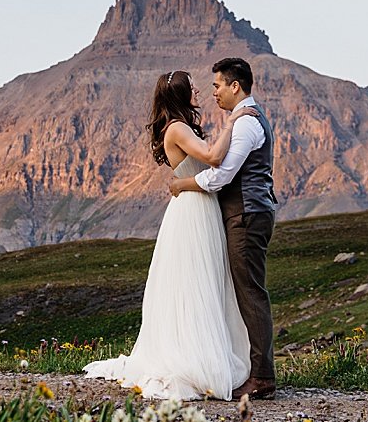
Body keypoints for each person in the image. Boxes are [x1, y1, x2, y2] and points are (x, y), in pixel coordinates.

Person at [81, 70, 255, 400]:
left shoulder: (178, 127)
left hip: (197, 205)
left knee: (203, 282)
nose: (199, 94)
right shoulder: (177, 129)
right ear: (181, 95)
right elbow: (214, 157)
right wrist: (234, 122)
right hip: (193, 210)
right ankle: (192, 356)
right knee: (195, 282)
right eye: (192, 90)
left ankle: (201, 348)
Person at [165, 56, 277, 400]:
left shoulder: (245, 123)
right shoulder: (242, 119)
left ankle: (261, 377)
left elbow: (221, 176)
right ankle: (254, 369)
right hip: (248, 212)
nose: (213, 92)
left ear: (234, 86)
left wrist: (181, 185)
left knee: (250, 292)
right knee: (246, 291)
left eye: (216, 85)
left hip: (246, 214)